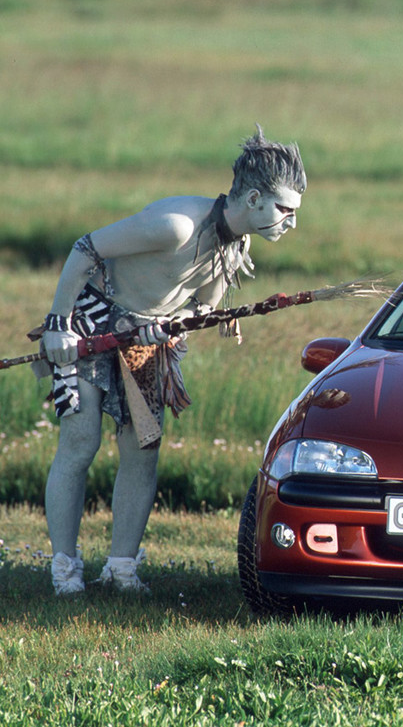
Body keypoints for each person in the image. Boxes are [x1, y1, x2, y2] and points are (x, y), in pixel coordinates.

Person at [36, 126, 306, 595]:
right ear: (255, 198)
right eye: (285, 210)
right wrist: (58, 323)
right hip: (91, 324)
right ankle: (65, 568)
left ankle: (121, 568)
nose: (291, 222)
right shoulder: (176, 225)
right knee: (80, 444)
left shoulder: (235, 242)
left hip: (145, 342)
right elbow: (85, 249)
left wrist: (194, 317)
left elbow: (196, 305)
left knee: (143, 452)